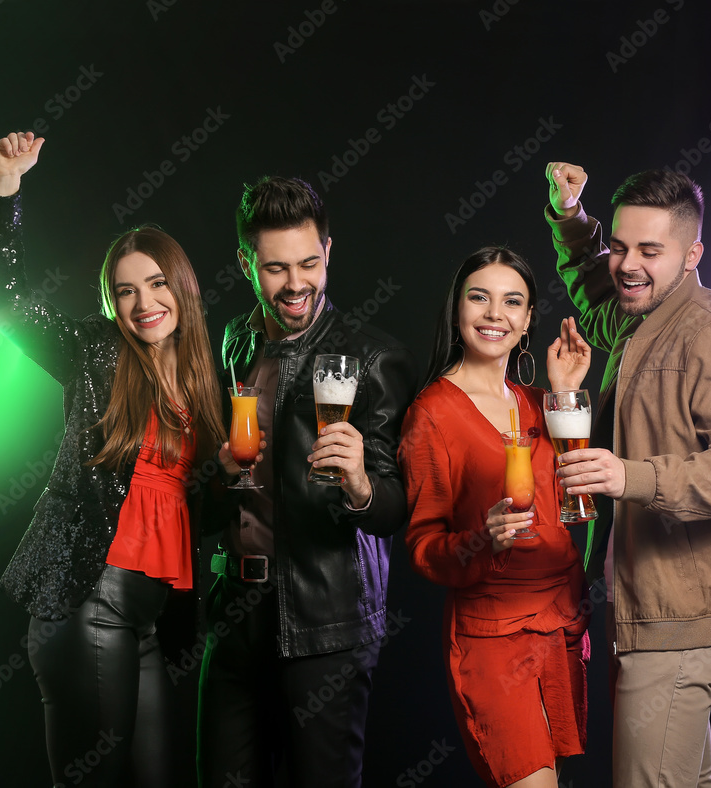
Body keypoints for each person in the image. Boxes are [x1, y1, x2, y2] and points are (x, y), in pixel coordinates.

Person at [0, 131, 238, 787]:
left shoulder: (213, 385)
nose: (144, 303)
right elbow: (5, 303)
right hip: (86, 601)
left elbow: (194, 511)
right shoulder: (95, 352)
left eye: (156, 284)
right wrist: (6, 190)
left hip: (147, 619)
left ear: (184, 286)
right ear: (110, 304)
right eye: (125, 292)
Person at [543, 162, 711, 788]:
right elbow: (598, 287)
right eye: (620, 246)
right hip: (649, 608)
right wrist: (571, 220)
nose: (628, 264)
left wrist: (632, 477)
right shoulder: (637, 315)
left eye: (651, 250)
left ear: (693, 253)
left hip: (682, 621)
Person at [197, 175, 417, 788]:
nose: (296, 285)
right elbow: (220, 487)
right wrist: (220, 473)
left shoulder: (373, 357)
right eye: (275, 268)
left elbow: (397, 507)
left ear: (328, 251)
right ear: (246, 263)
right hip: (236, 615)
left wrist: (359, 484)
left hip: (326, 622)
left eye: (309, 263)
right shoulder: (236, 340)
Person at [397, 246, 594, 788]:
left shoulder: (537, 401)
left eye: (512, 302)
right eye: (478, 297)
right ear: (457, 308)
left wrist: (565, 393)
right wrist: (481, 540)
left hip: (560, 624)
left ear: (528, 320)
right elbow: (421, 545)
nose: (494, 314)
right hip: (492, 638)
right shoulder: (431, 414)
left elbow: (572, 505)